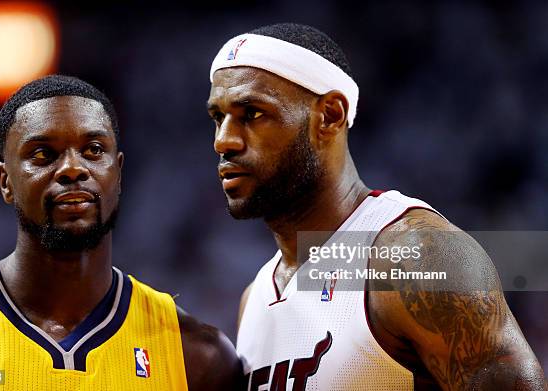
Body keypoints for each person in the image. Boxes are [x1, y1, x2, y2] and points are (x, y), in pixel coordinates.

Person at [207, 23, 546, 390]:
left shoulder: (415, 258)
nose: (223, 141)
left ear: (330, 115)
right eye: (217, 118)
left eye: (252, 114)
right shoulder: (254, 298)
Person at [0, 75, 242, 390]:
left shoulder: (197, 355)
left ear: (118, 172)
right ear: (5, 181)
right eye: (43, 154)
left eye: (93, 150)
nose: (73, 168)